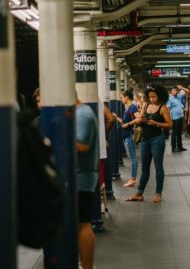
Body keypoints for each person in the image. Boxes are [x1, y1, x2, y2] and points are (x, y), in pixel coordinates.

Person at [126, 85, 173, 203]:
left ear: (159, 96)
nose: (152, 99)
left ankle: (158, 193)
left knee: (158, 167)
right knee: (144, 168)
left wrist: (156, 123)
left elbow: (169, 124)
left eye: (154, 97)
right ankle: (139, 193)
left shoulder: (163, 108)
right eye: (150, 97)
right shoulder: (145, 105)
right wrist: (138, 120)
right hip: (145, 140)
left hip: (157, 139)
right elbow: (140, 117)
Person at [75, 98, 99, 269]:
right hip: (76, 176)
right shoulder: (78, 113)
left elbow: (82, 145)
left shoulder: (82, 114)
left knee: (83, 223)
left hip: (81, 177)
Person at [112, 89, 139, 187]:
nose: (121, 99)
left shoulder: (133, 107)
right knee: (132, 157)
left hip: (129, 136)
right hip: (126, 135)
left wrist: (128, 124)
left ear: (127, 97)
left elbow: (139, 118)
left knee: (133, 158)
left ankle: (133, 179)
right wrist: (116, 117)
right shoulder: (128, 108)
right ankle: (133, 178)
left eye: (122, 97)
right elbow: (124, 122)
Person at [166, 87, 186, 152]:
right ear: (171, 92)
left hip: (180, 117)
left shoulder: (179, 96)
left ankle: (180, 146)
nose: (175, 91)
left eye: (176, 90)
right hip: (174, 118)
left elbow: (187, 92)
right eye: (174, 90)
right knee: (174, 133)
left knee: (180, 133)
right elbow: (168, 109)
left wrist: (182, 88)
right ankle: (173, 147)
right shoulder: (169, 99)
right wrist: (170, 118)